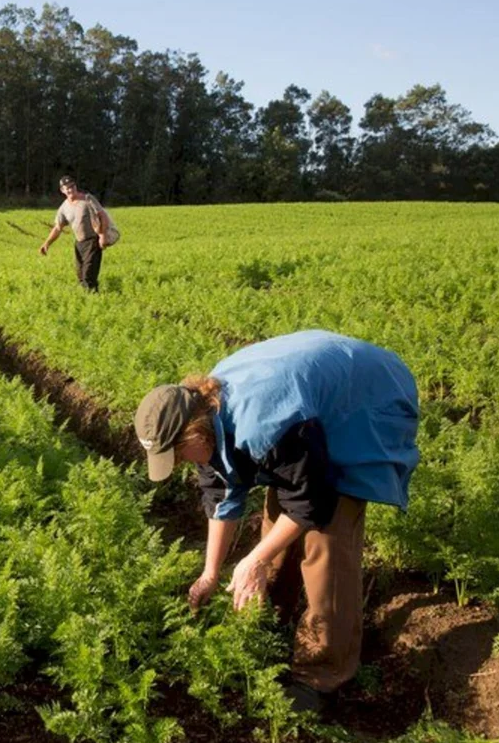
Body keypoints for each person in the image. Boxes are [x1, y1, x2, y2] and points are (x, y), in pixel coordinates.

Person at [133, 330, 419, 711]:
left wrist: (254, 560)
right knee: (275, 524)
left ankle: (321, 673)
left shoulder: (267, 423)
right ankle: (274, 625)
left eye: (180, 454)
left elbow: (308, 500)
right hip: (307, 409)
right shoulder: (207, 418)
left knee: (325, 538)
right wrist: (210, 573)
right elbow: (220, 495)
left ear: (193, 430)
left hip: (366, 400)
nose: (181, 463)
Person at [38, 175, 117, 292]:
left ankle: (93, 300)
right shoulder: (64, 208)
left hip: (93, 242)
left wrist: (103, 236)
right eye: (67, 188)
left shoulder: (87, 199)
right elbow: (58, 228)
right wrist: (47, 243)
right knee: (81, 277)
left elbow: (102, 216)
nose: (70, 189)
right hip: (79, 244)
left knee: (88, 277)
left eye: (72, 186)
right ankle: (91, 297)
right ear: (62, 190)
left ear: (75, 186)